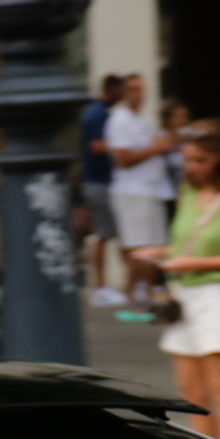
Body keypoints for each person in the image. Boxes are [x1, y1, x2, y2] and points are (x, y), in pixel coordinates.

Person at [145, 129, 220, 439]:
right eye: (187, 160)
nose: (192, 166)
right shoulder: (188, 194)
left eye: (200, 160)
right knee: (191, 392)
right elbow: (185, 242)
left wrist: (191, 263)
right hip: (181, 296)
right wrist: (160, 252)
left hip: (216, 295)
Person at [105, 74, 175, 304]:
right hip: (132, 191)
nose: (138, 94)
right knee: (138, 246)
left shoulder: (143, 119)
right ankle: (130, 291)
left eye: (141, 89)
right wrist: (155, 149)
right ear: (124, 93)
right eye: (133, 89)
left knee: (155, 245)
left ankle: (145, 289)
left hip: (152, 190)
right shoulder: (119, 120)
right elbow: (123, 159)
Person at [80, 73, 123, 306]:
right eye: (120, 91)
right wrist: (122, 145)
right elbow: (96, 146)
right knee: (104, 234)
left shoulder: (100, 112)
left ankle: (101, 286)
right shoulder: (97, 114)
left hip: (99, 180)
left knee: (104, 233)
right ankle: (100, 286)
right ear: (111, 90)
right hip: (98, 181)